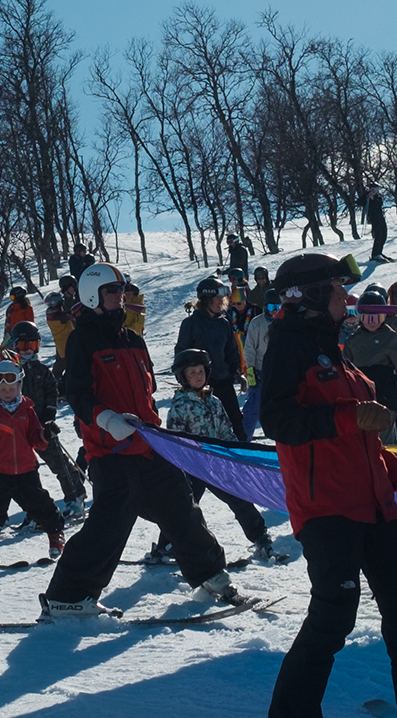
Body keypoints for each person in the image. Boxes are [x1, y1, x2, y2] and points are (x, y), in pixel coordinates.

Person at [258, 251, 397, 718]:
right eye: (340, 289)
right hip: (328, 511)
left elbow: (366, 446)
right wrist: (347, 416)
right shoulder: (288, 347)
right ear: (314, 296)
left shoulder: (336, 350)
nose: (348, 297)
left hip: (378, 509)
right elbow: (279, 422)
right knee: (333, 616)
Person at [41, 262, 235, 620]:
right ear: (92, 295)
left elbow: (147, 392)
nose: (121, 296)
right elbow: (77, 393)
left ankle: (209, 573)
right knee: (111, 520)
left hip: (148, 444)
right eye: (113, 291)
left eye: (122, 290)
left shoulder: (134, 339)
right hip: (110, 449)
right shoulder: (83, 338)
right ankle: (68, 596)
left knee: (181, 504)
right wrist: (107, 418)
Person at [165, 350, 279, 561]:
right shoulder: (180, 407)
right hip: (193, 468)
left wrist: (235, 457)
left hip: (217, 465)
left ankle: (260, 536)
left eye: (201, 371)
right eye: (192, 373)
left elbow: (226, 432)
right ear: (182, 377)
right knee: (184, 507)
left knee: (239, 498)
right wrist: (180, 468)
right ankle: (167, 544)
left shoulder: (215, 401)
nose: (199, 376)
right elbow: (175, 442)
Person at [8, 323, 86, 515]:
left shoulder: (42, 371)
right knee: (23, 471)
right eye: (24, 346)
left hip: (42, 426)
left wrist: (48, 418)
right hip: (17, 429)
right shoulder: (10, 372)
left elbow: (52, 393)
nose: (28, 351)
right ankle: (34, 510)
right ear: (14, 346)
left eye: (33, 346)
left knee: (58, 462)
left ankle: (75, 496)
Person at [0, 355, 67, 558]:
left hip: (26, 470)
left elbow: (35, 438)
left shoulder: (27, 410)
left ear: (19, 387)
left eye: (11, 389)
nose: (7, 393)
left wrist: (45, 434)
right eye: (2, 390)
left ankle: (56, 535)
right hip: (1, 471)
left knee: (40, 504)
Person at [343, 287, 397, 443]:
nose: (372, 323)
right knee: (362, 441)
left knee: (384, 442)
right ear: (360, 317)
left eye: (377, 318)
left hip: (385, 396)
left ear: (385, 316)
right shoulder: (353, 340)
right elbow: (345, 370)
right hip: (361, 400)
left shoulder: (390, 338)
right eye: (367, 318)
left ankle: (388, 465)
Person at [174, 275, 247, 440]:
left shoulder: (224, 323)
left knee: (236, 429)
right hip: (200, 386)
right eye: (218, 297)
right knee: (206, 431)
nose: (223, 300)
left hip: (223, 383)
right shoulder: (191, 324)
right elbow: (181, 355)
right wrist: (187, 380)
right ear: (207, 299)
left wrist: (235, 372)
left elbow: (232, 352)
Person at [241, 288, 280, 439]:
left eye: (279, 307)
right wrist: (250, 370)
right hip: (260, 371)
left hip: (279, 371)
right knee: (254, 408)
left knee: (280, 407)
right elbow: (249, 349)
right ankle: (244, 439)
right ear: (265, 306)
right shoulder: (258, 323)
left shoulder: (286, 323)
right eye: (272, 308)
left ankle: (281, 440)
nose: (275, 311)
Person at [45, 290, 75, 384]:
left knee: (60, 364)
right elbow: (70, 315)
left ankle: (54, 381)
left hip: (61, 343)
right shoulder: (57, 316)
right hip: (66, 344)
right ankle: (57, 383)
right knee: (67, 365)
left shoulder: (52, 312)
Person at [364, 184, 389, 261]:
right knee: (378, 235)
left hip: (381, 217)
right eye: (373, 189)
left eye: (376, 189)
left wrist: (373, 198)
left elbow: (379, 203)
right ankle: (375, 254)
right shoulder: (366, 196)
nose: (375, 191)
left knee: (384, 234)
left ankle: (379, 252)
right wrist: (367, 196)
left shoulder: (378, 197)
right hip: (374, 218)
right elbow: (359, 202)